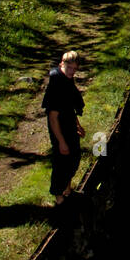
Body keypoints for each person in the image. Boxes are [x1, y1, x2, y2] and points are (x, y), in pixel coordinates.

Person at [42, 50, 85, 205]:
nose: (72, 72)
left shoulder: (68, 80)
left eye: (75, 69)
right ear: (62, 64)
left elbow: (69, 106)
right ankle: (58, 196)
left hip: (68, 123)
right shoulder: (56, 84)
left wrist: (77, 125)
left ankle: (67, 189)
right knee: (61, 162)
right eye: (69, 68)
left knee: (74, 159)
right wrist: (61, 141)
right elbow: (53, 118)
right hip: (59, 128)